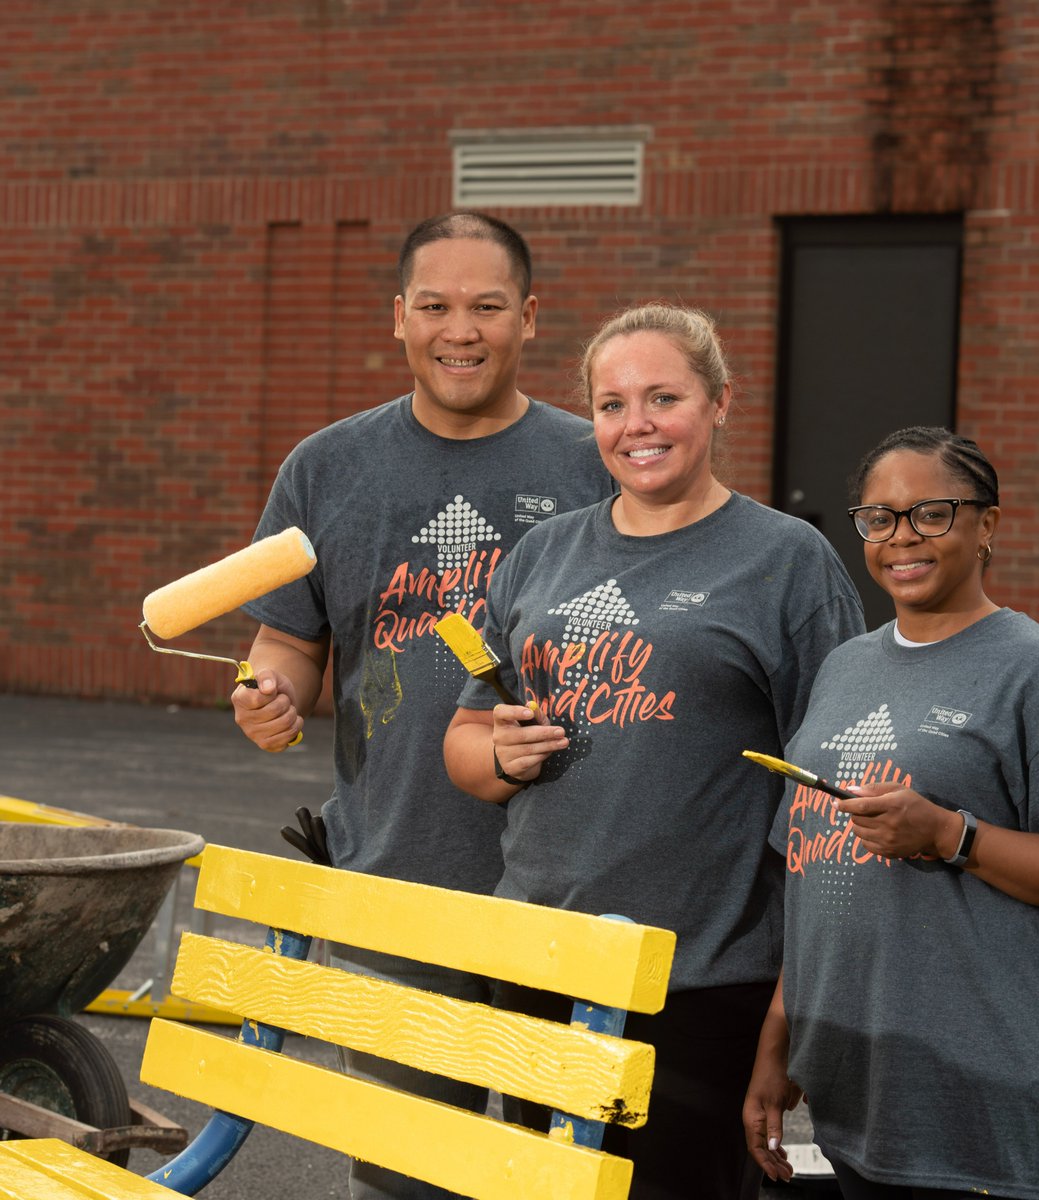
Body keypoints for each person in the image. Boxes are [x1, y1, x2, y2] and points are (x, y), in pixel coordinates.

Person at [230, 211, 614, 1200]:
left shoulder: (598, 463)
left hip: (567, 890)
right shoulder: (326, 469)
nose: (461, 329)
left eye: (487, 306)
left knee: (558, 1183)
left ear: (530, 318)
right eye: (436, 305)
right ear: (398, 317)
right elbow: (287, 647)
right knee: (407, 1182)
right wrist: (267, 692)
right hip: (392, 883)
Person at [443, 302, 865, 1199]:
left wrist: (792, 1015)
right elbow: (466, 742)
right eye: (610, 404)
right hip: (540, 956)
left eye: (663, 397)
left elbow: (833, 800)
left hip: (702, 980)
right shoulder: (544, 553)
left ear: (719, 403)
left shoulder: (786, 561)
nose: (635, 425)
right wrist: (501, 755)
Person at [743, 426, 1039, 1200]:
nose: (903, 538)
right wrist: (779, 1040)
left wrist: (951, 835)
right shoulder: (845, 667)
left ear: (987, 524)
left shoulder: (1038, 669)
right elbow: (813, 867)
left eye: (932, 514)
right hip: (855, 1067)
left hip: (978, 1070)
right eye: (880, 518)